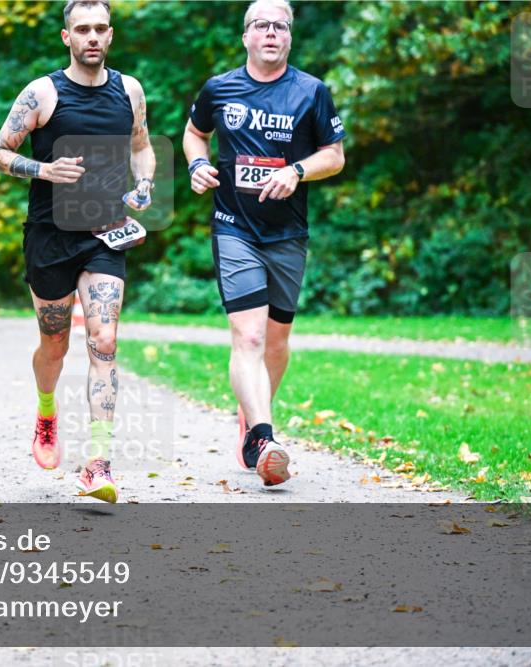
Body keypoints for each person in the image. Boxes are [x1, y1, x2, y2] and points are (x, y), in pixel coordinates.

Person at [0, 0, 155, 503]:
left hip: (105, 233)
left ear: (111, 34)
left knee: (103, 341)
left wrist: (144, 185)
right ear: (67, 37)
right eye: (82, 29)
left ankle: (97, 464)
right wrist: (44, 171)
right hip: (50, 235)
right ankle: (45, 411)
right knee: (55, 345)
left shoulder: (129, 90)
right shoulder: (42, 93)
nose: (92, 37)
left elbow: (141, 145)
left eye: (101, 28)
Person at [182, 0, 345, 486]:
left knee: (275, 340)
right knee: (248, 336)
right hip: (234, 225)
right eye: (261, 25)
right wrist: (196, 165)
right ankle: (263, 436)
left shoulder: (311, 92)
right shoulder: (220, 88)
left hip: (288, 233)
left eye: (280, 26)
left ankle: (252, 412)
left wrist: (297, 171)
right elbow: (195, 134)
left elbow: (333, 156)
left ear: (290, 37)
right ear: (246, 36)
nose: (271, 33)